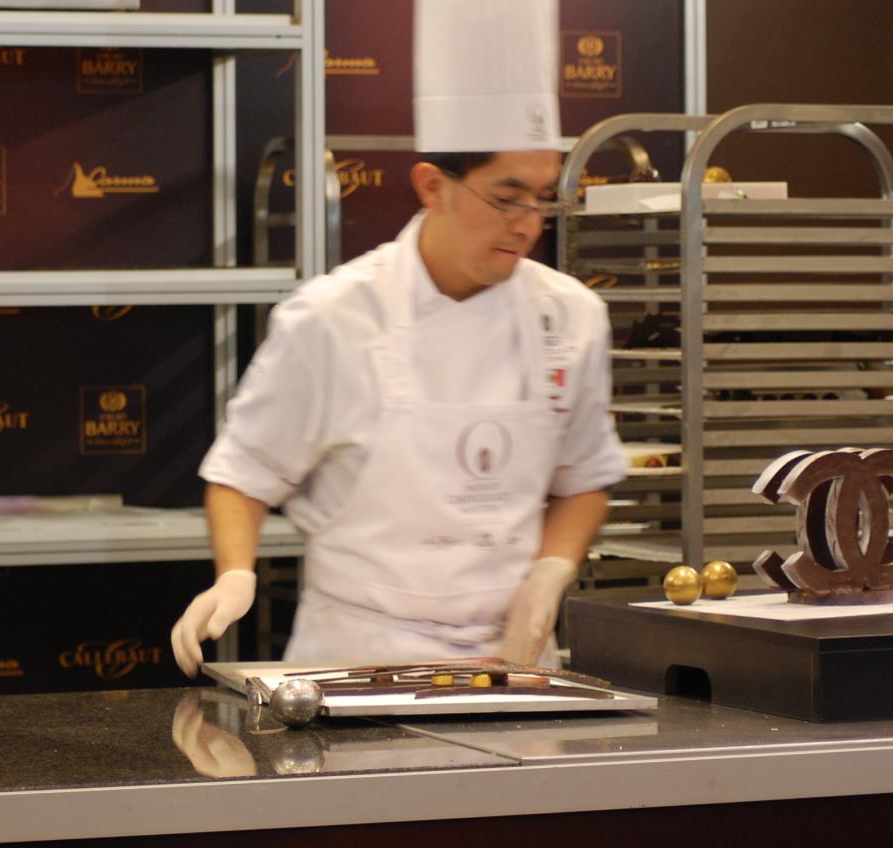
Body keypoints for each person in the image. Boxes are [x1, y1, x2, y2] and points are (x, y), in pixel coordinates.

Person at [171, 0, 625, 675]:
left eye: (544, 198)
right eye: (507, 198)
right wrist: (235, 574)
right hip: (357, 663)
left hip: (514, 664)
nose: (530, 223)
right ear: (433, 187)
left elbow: (585, 477)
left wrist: (548, 575)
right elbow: (243, 474)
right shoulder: (332, 318)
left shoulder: (573, 316)